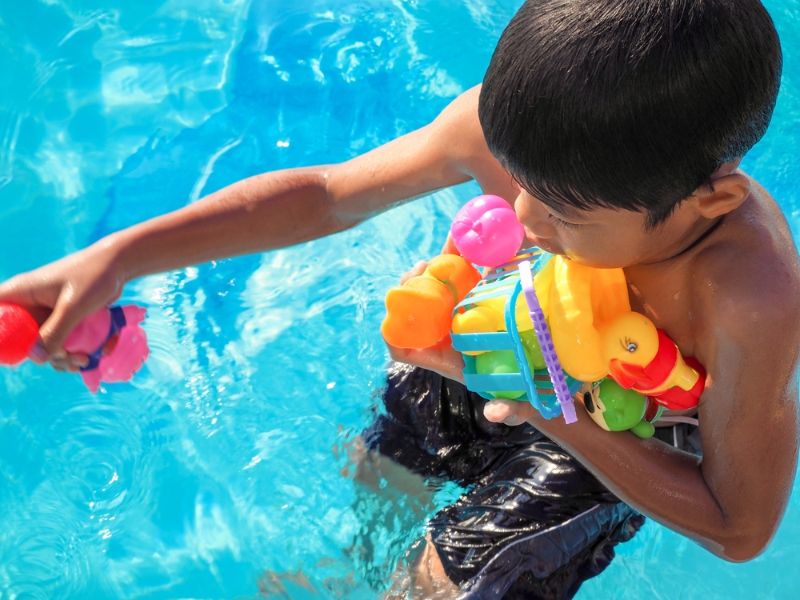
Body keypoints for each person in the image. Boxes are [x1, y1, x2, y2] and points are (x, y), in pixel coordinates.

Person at [1, 0, 799, 597]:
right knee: (366, 510)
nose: (522, 216)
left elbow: (739, 526)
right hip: (495, 345)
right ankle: (343, 575)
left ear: (706, 205)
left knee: (431, 590)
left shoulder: (744, 296)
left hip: (622, 436)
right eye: (519, 183)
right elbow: (324, 195)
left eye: (564, 214)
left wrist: (547, 412)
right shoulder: (528, 137)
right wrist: (119, 256)